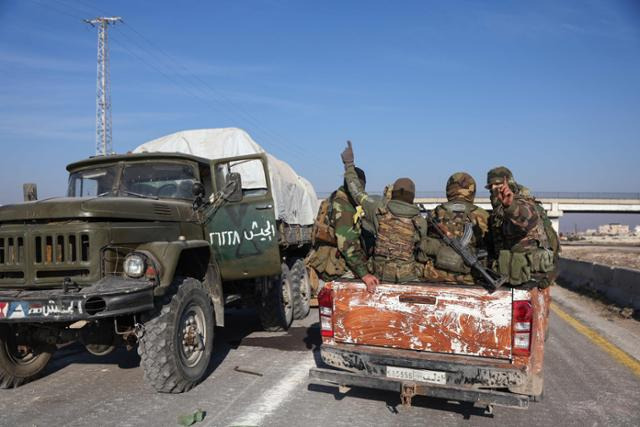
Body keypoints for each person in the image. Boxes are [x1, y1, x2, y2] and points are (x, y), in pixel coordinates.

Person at [341, 141, 427, 287]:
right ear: (412, 196)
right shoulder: (420, 221)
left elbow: (356, 192)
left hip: (378, 275)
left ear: (392, 193)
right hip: (408, 278)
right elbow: (421, 252)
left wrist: (349, 164)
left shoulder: (377, 208)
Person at [305, 166, 379, 290]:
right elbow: (347, 245)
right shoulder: (344, 208)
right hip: (336, 268)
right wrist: (364, 274)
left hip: (325, 261)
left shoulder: (333, 199)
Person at [485, 166, 558, 288]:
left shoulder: (521, 203)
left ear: (509, 184)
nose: (493, 189)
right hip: (515, 275)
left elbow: (527, 218)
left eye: (497, 185)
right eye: (490, 187)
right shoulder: (498, 212)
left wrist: (511, 206)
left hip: (532, 279)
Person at [419, 172, 489, 284]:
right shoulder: (482, 215)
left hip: (435, 275)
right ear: (472, 190)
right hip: (470, 278)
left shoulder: (436, 213)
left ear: (449, 189)